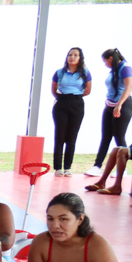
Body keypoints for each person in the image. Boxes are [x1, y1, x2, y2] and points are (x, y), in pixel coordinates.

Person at [86, 48, 132, 189]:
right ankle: (97, 166)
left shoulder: (125, 68)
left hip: (123, 105)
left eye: (105, 61)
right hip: (109, 105)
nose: (105, 64)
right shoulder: (113, 70)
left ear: (111, 59)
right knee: (106, 136)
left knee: (119, 136)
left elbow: (128, 87)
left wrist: (119, 105)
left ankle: (122, 168)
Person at [51, 47, 93, 176]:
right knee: (60, 136)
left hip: (77, 103)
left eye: (75, 55)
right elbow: (54, 89)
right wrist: (61, 98)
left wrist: (75, 98)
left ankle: (67, 167)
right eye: (70, 55)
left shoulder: (85, 73)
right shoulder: (60, 72)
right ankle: (58, 167)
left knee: (72, 137)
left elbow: (87, 91)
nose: (72, 57)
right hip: (62, 103)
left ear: (80, 58)